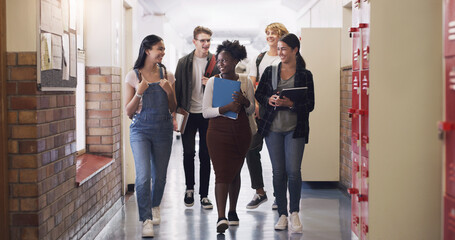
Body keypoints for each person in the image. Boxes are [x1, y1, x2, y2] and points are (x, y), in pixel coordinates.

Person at [255, 33, 315, 233]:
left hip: (294, 130)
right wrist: (269, 100)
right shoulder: (271, 71)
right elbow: (259, 94)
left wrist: (291, 103)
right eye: (278, 49)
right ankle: (282, 214)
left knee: (294, 172)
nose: (280, 52)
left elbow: (310, 105)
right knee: (278, 172)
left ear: (295, 50)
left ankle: (294, 212)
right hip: (273, 129)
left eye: (284, 49)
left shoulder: (305, 75)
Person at [124, 35, 176, 238]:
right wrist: (139, 93)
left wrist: (169, 91)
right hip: (140, 130)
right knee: (143, 176)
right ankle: (146, 219)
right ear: (147, 50)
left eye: (163, 49)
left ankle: (155, 206)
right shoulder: (133, 75)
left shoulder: (167, 75)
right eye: (159, 49)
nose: (162, 53)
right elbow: (128, 112)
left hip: (163, 129)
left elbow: (173, 107)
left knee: (160, 176)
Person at [202, 40, 255, 233]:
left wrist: (245, 101)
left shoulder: (245, 81)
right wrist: (227, 108)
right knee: (222, 174)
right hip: (217, 133)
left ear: (235, 61)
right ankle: (221, 216)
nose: (220, 64)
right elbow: (206, 112)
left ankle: (233, 211)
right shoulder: (213, 82)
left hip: (240, 133)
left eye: (225, 60)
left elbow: (250, 111)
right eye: (219, 60)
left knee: (234, 172)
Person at [174, 26, 220, 209]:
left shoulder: (216, 62)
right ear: (194, 42)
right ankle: (189, 189)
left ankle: (204, 194)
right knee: (188, 152)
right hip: (188, 113)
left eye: (208, 40)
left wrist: (212, 84)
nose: (206, 44)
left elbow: (224, 87)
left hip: (207, 114)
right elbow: (177, 93)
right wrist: (175, 116)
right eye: (202, 40)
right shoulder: (184, 62)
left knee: (206, 154)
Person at [246, 23, 289, 210]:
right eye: (268, 33)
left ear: (282, 37)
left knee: (278, 157)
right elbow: (251, 83)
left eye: (275, 33)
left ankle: (279, 196)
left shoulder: (286, 58)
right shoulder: (260, 58)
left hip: (280, 112)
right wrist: (255, 104)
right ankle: (260, 192)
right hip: (261, 110)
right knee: (251, 149)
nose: (270, 36)